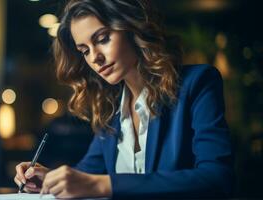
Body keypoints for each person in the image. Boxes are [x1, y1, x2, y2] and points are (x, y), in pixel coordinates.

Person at [14, 0, 234, 199]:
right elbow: (86, 175)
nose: (95, 58)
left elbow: (216, 179)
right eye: (84, 51)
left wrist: (104, 185)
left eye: (102, 39)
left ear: (131, 27)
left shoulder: (197, 83)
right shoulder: (109, 109)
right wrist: (52, 180)